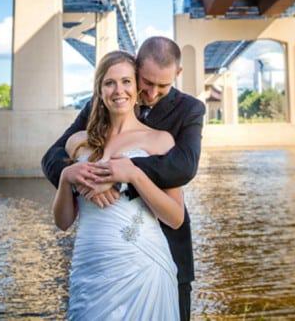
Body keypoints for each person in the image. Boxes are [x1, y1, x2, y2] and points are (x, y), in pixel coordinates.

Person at [43, 37, 205, 320]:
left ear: (177, 75)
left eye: (162, 86)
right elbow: (53, 156)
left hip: (154, 249)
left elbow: (184, 166)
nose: (152, 93)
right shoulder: (94, 115)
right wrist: (76, 178)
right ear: (136, 66)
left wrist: (122, 174)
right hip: (93, 259)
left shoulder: (188, 111)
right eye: (146, 82)